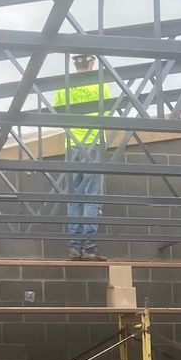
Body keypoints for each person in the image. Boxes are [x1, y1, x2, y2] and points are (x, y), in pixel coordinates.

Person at [55, 54, 110, 259]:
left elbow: (57, 114)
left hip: (72, 145)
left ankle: (74, 247)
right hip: (93, 143)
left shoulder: (63, 85)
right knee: (92, 197)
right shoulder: (99, 84)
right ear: (92, 62)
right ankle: (89, 248)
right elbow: (107, 114)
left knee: (74, 199)